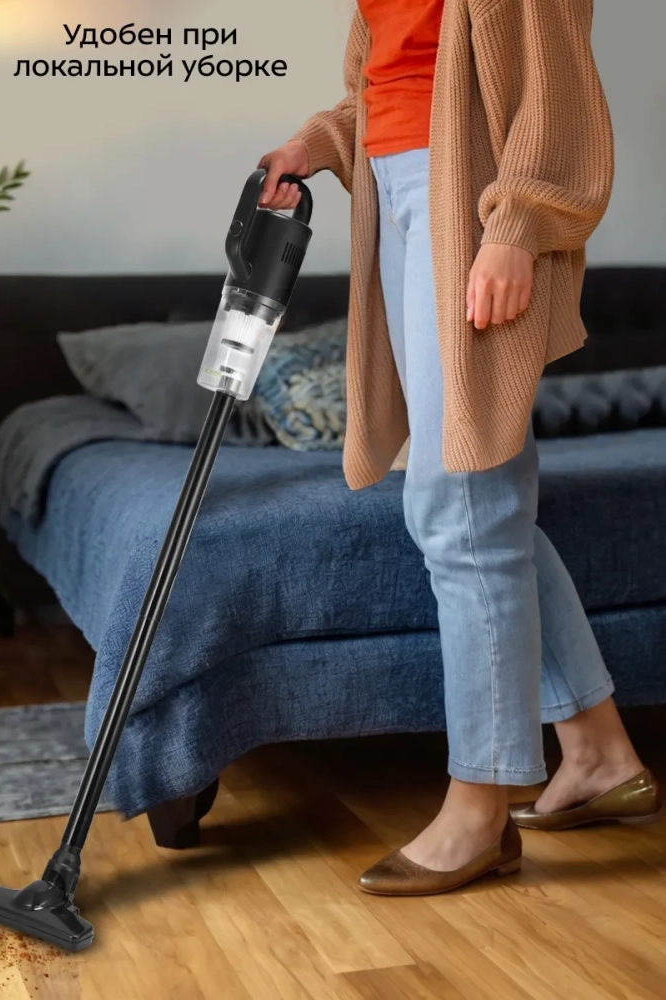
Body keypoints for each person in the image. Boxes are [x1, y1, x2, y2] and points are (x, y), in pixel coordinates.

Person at [256, 0, 661, 896]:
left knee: (458, 500)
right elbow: (397, 78)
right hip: (396, 189)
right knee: (479, 501)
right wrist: (317, 141)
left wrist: (517, 227)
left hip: (470, 199)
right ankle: (597, 750)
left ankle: (481, 802)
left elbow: (558, 85)